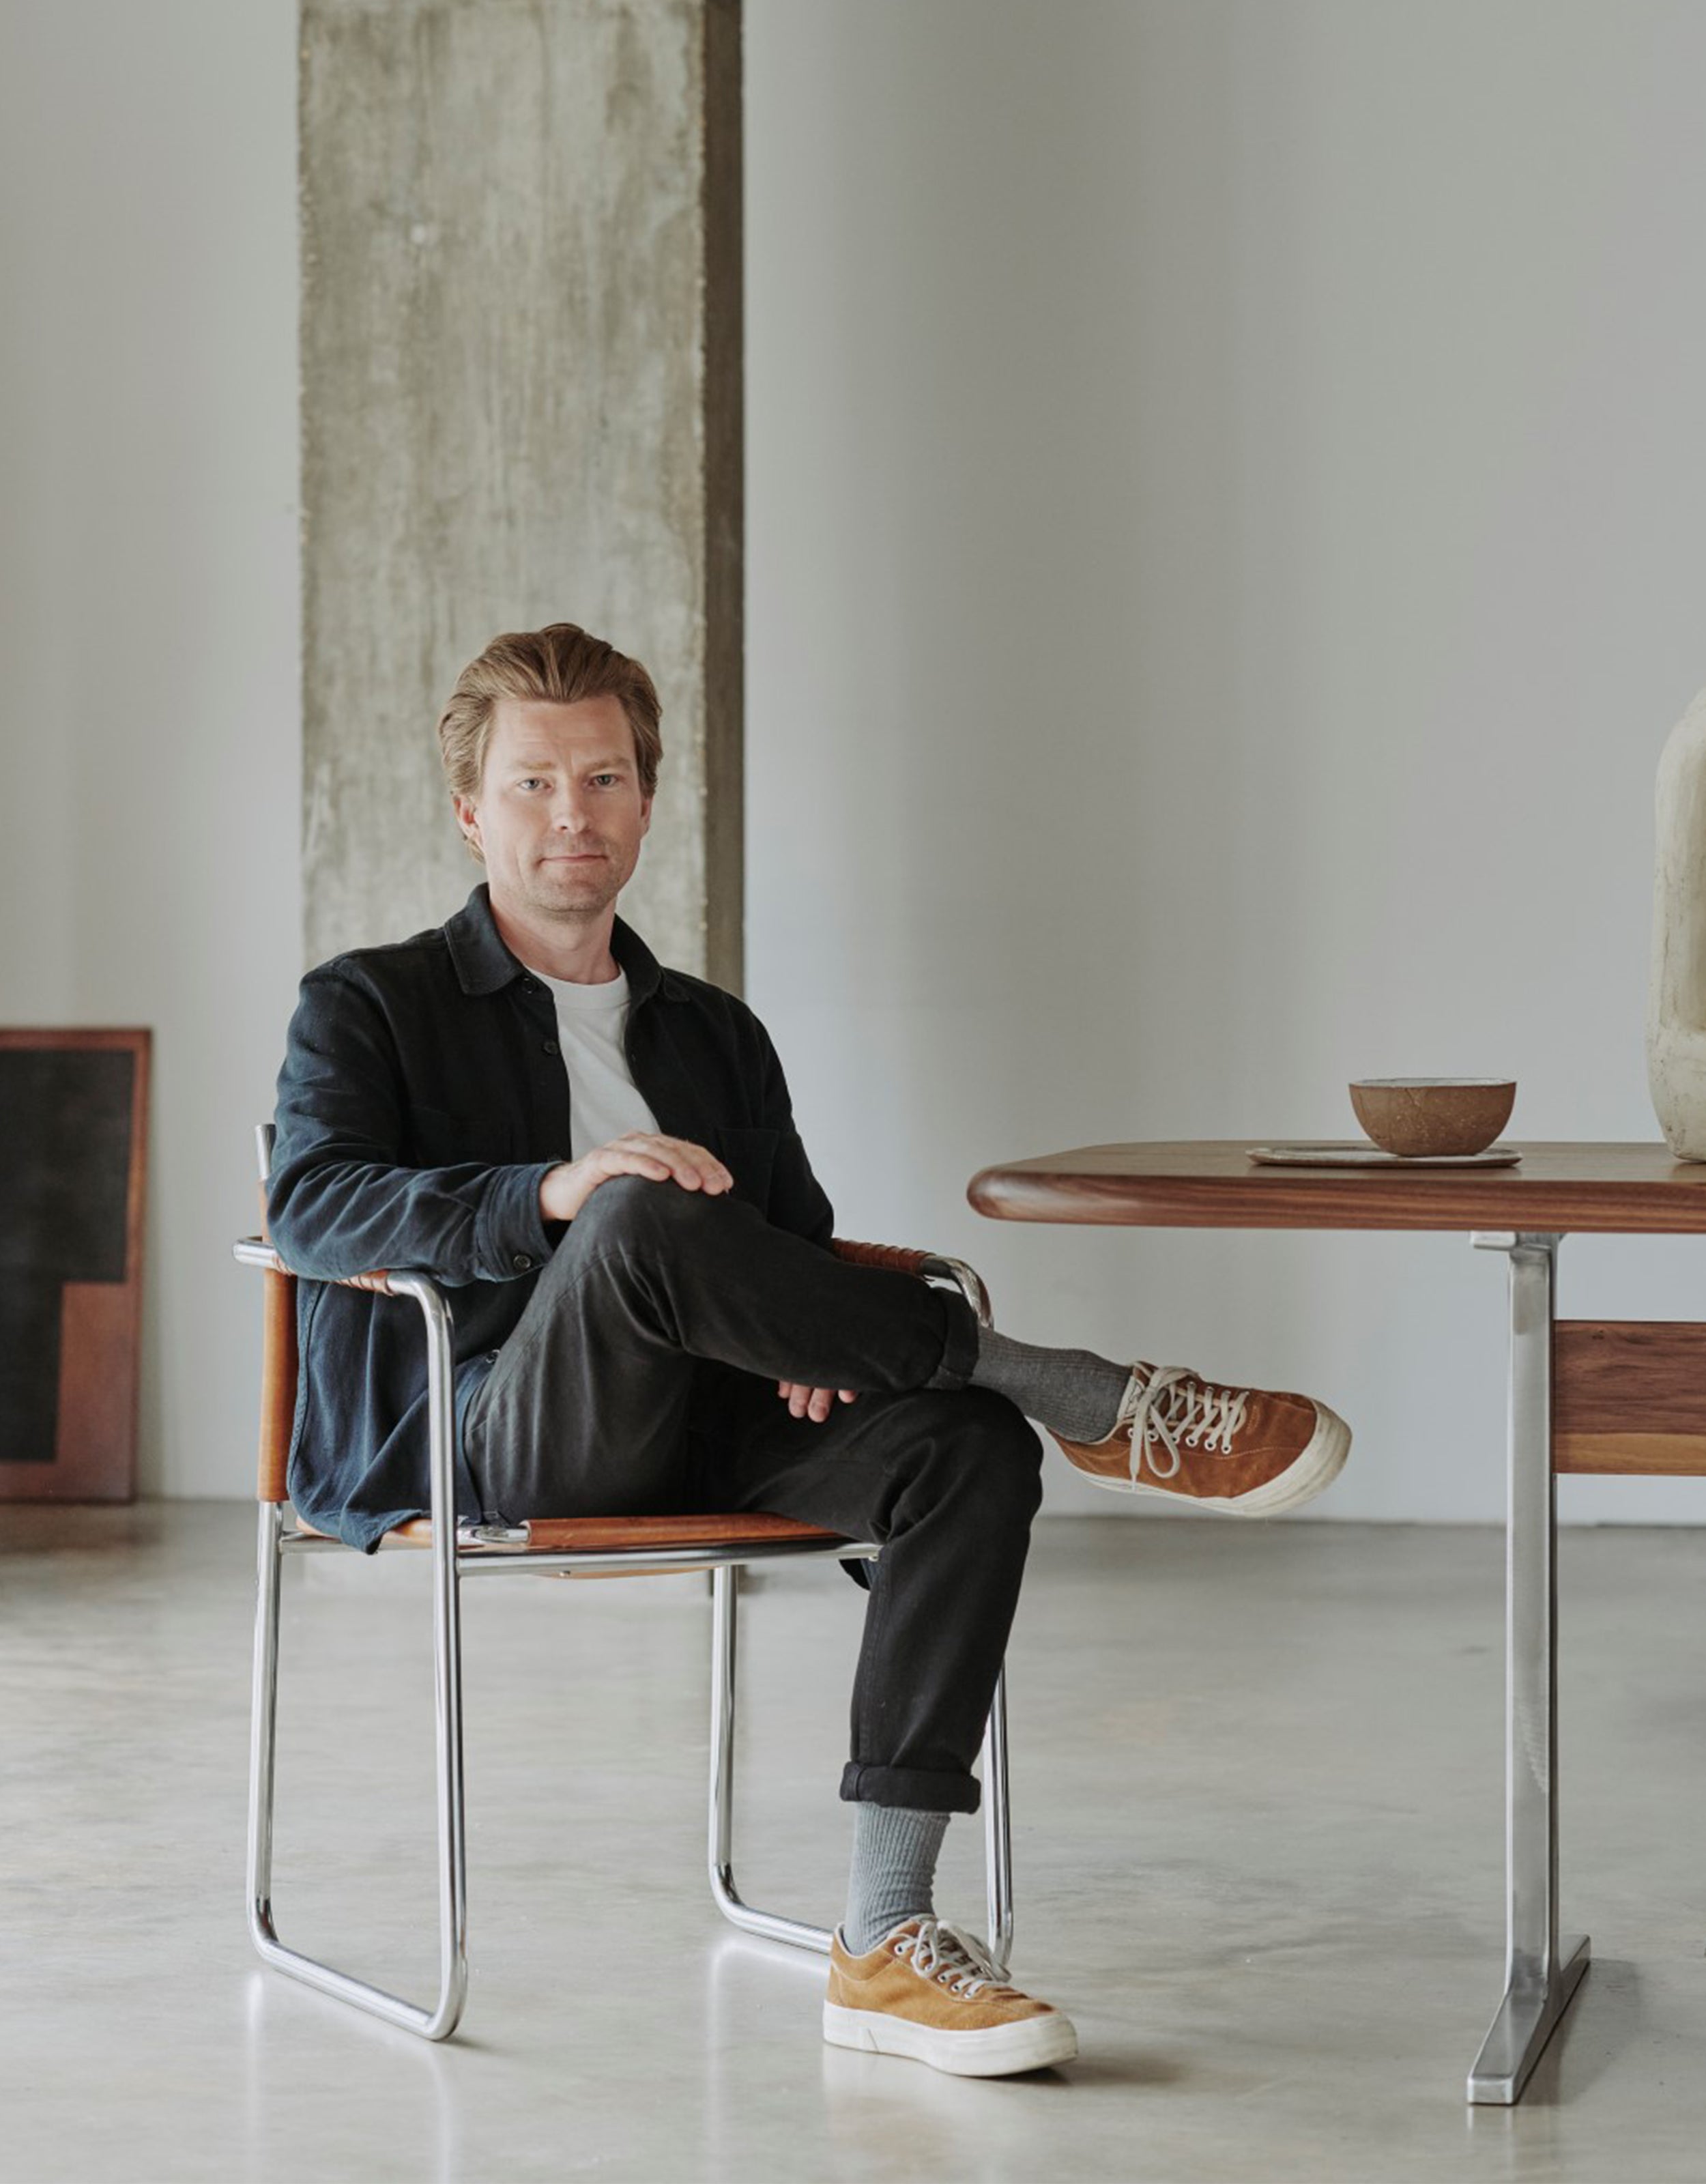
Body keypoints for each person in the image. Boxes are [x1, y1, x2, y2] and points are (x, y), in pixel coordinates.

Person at [268, 621, 1351, 2079]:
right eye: (531, 785)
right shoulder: (367, 1001)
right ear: (470, 809)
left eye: (601, 779)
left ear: (648, 802)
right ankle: (1084, 1389)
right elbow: (309, 1203)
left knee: (962, 1449)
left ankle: (883, 1941)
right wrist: (551, 1193)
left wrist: (809, 1340)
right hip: (492, 1429)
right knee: (640, 1210)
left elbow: (788, 1244)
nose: (569, 816)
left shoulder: (715, 1032)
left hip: (709, 1409)